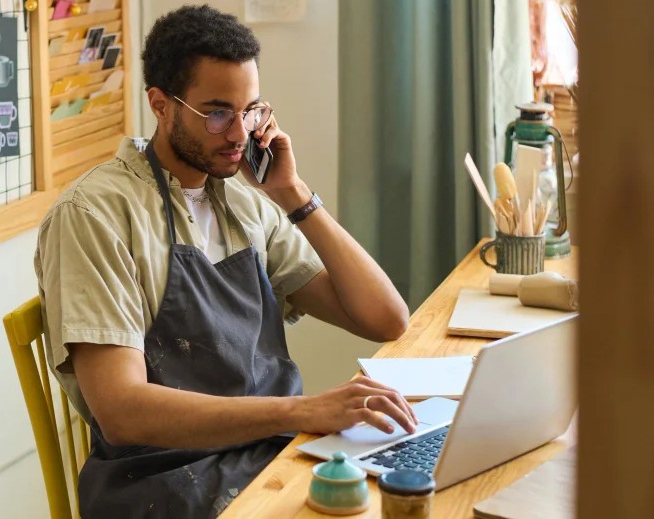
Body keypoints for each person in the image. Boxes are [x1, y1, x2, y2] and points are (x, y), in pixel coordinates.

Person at [35, 5, 416, 518]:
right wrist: (303, 411)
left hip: (271, 456)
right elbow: (123, 412)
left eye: (250, 111)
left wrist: (293, 193)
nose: (239, 134)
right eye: (217, 113)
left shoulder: (244, 202)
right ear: (160, 105)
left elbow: (385, 319)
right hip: (164, 484)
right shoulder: (95, 215)